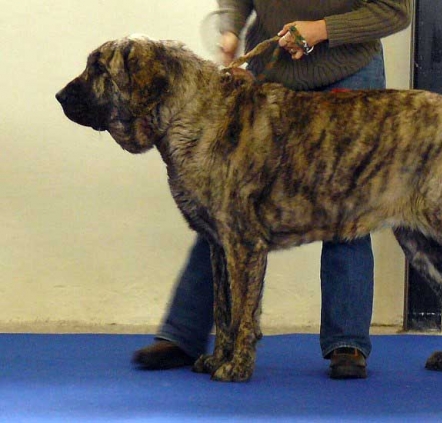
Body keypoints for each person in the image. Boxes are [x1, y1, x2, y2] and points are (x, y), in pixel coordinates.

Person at [133, 0, 412, 379]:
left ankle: (347, 343)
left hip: (348, 73)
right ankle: (183, 336)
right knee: (224, 208)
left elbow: (394, 11)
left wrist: (321, 30)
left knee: (348, 214)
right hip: (273, 70)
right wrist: (231, 27)